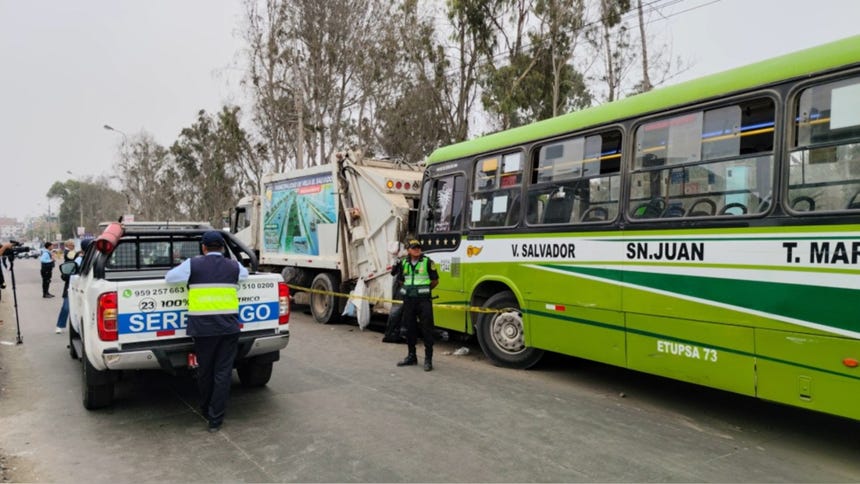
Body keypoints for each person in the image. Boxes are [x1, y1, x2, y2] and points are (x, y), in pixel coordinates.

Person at [165, 230, 248, 432]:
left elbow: (170, 278)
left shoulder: (192, 264)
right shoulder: (234, 266)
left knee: (205, 371)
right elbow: (245, 276)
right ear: (222, 248)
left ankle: (205, 408)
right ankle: (215, 419)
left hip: (203, 329)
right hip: (228, 329)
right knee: (223, 373)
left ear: (203, 248)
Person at [392, 238, 439, 371]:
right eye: (414, 248)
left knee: (427, 329)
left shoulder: (427, 262)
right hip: (409, 301)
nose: (417, 250)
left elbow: (435, 281)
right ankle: (411, 356)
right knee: (410, 329)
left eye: (418, 247)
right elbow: (401, 280)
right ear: (408, 250)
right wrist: (410, 290)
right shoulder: (404, 263)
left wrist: (423, 290)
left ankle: (428, 359)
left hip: (424, 301)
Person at [55, 239, 89, 334]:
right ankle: (60, 325)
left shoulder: (94, 258)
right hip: (73, 286)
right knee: (66, 307)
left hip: (86, 287)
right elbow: (67, 273)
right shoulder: (78, 258)